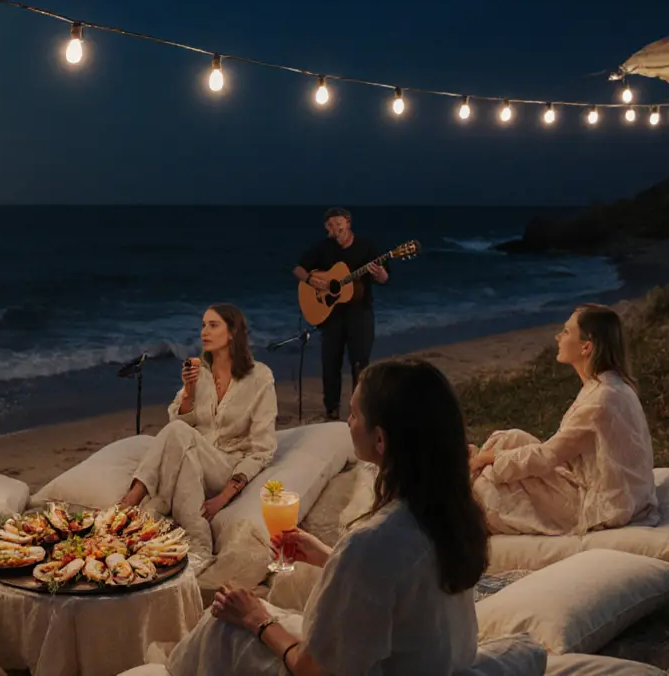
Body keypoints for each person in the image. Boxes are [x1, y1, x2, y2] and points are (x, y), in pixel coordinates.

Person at [166, 359, 489, 676]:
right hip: (432, 662)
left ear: (380, 439)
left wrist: (256, 618)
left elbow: (313, 670)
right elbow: (397, 581)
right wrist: (330, 557)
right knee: (287, 590)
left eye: (354, 414)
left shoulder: (373, 541)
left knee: (221, 625)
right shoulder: (448, 515)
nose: (347, 422)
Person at [470, 304, 657, 536]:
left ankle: (463, 486)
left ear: (586, 347)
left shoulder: (600, 400)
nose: (558, 337)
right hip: (614, 491)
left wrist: (487, 459)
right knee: (510, 439)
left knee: (488, 481)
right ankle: (469, 470)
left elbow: (547, 456)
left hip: (603, 505)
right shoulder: (611, 385)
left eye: (566, 332)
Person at [118, 304, 277, 554]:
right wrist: (189, 393)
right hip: (193, 456)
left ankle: (134, 499)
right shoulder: (199, 372)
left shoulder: (260, 378)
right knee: (185, 464)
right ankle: (199, 546)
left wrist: (223, 497)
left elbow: (262, 451)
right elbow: (178, 427)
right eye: (203, 325)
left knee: (178, 433)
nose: (204, 332)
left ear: (232, 332)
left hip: (226, 465)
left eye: (213, 325)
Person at [292, 207, 389, 421]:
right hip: (330, 316)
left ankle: (359, 409)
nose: (335, 228)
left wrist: (380, 273)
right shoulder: (322, 247)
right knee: (330, 363)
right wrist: (310, 280)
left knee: (360, 363)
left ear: (348, 223)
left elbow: (384, 279)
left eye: (339, 223)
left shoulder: (366, 247)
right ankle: (331, 409)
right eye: (330, 224)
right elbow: (298, 269)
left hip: (360, 313)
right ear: (326, 227)